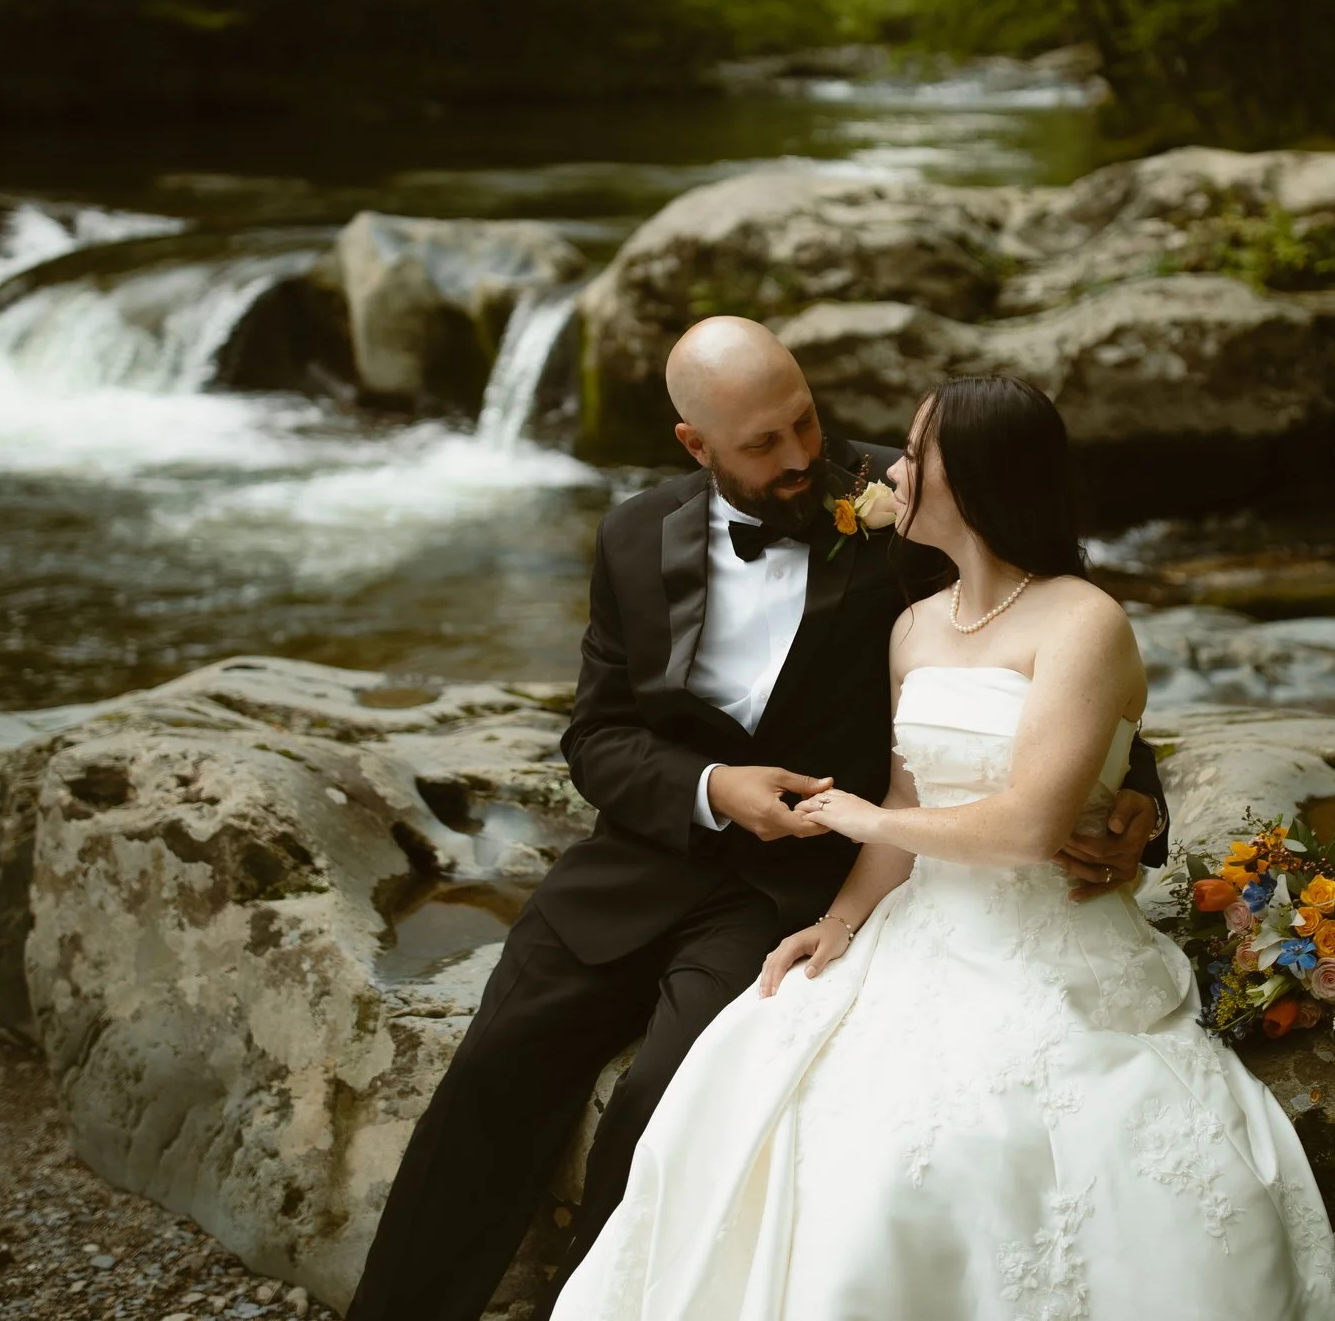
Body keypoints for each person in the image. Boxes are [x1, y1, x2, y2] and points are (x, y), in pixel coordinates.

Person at [347, 322, 1169, 1321]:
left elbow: (1037, 664)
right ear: (696, 445)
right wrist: (709, 785)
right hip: (640, 864)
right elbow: (598, 736)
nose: (798, 456)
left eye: (804, 421)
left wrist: (1134, 803)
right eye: (761, 443)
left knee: (665, 1093)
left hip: (791, 887)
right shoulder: (632, 534)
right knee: (492, 1070)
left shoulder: (912, 504)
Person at [552, 373, 1335, 1321]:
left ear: (966, 482)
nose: (885, 470)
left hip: (1049, 940)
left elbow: (1024, 827)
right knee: (759, 1078)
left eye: (910, 454)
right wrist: (841, 922)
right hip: (921, 928)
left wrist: (862, 820)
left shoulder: (1083, 620)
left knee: (961, 1139)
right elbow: (907, 788)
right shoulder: (913, 624)